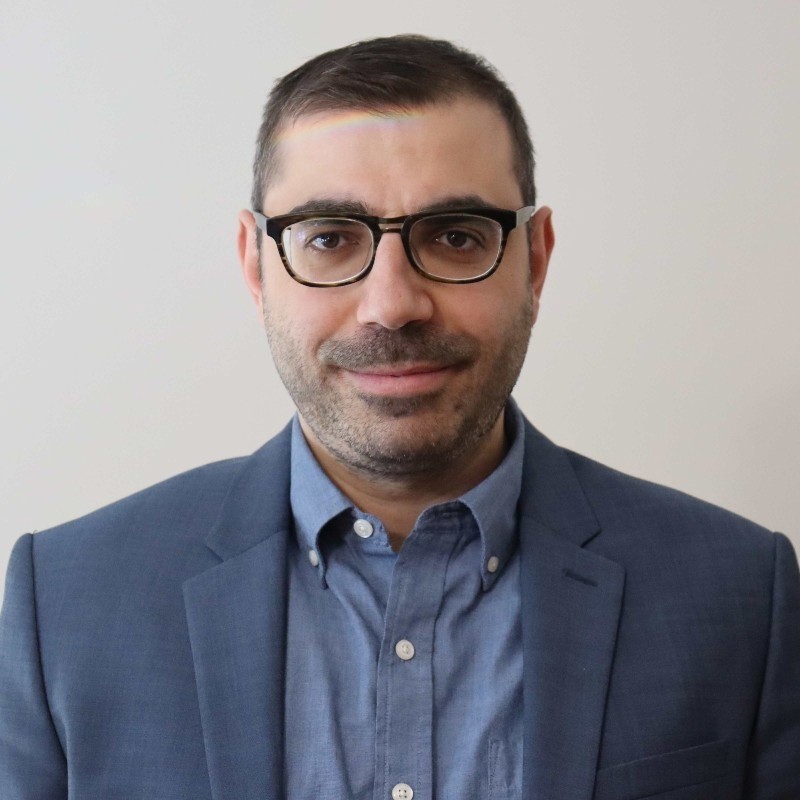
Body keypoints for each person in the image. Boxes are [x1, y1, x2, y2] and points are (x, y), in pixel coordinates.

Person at [1, 34, 798, 800]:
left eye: (455, 236)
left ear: (536, 258)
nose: (391, 305)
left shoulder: (740, 594)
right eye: (329, 238)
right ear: (255, 264)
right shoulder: (66, 602)